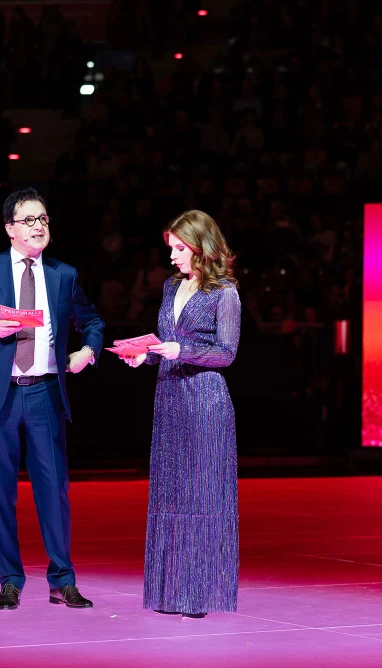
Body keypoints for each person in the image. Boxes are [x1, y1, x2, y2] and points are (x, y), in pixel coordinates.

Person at [0, 187, 105, 611]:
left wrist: (88, 351)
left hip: (45, 394)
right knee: (1, 492)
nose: (39, 226)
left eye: (44, 219)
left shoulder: (62, 274)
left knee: (54, 490)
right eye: (30, 220)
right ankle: (10, 579)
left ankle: (62, 580)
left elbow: (92, 321)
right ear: (10, 229)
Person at [123, 209, 241, 618]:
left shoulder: (224, 292)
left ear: (200, 246)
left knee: (203, 496)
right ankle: (172, 590)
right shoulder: (172, 287)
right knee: (171, 495)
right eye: (171, 248)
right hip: (169, 397)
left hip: (205, 401)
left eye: (179, 248)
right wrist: (146, 357)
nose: (172, 256)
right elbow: (165, 342)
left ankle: (200, 594)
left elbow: (227, 353)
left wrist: (182, 351)